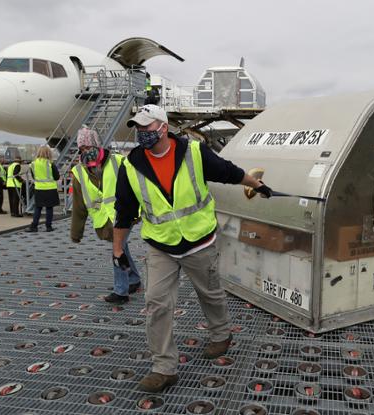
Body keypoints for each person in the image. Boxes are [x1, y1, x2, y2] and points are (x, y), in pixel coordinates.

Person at [112, 104, 272, 393]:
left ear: (163, 126)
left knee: (209, 293)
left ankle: (221, 335)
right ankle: (164, 367)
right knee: (157, 302)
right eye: (138, 128)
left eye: (146, 128)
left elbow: (228, 172)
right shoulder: (131, 165)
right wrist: (117, 250)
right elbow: (124, 210)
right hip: (161, 245)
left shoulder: (193, 153)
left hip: (200, 242)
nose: (141, 134)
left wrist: (256, 185)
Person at [70, 126, 141, 305]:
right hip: (104, 219)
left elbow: (137, 186)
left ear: (97, 145)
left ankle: (121, 291)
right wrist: (76, 233)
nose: (86, 152)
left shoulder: (119, 161)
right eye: (82, 149)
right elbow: (79, 206)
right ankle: (133, 278)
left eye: (88, 147)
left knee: (117, 249)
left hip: (123, 215)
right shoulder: (78, 172)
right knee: (122, 248)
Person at [26, 146, 60, 232]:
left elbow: (34, 177)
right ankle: (48, 227)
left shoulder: (33, 164)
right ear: (49, 153)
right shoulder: (50, 164)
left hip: (39, 188)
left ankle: (34, 226)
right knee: (49, 208)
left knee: (38, 208)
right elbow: (57, 177)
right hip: (50, 188)